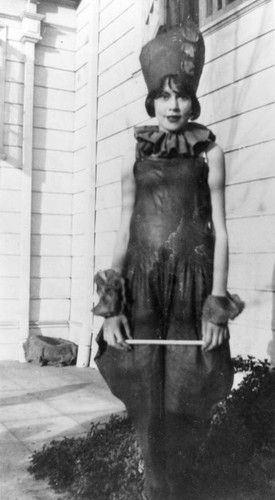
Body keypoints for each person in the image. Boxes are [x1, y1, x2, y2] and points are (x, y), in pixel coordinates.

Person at [94, 18, 244, 500]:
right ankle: (155, 488)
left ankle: (176, 489)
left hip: (190, 294)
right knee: (146, 405)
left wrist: (216, 303)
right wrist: (112, 304)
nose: (173, 105)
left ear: (192, 99)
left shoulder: (209, 152)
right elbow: (123, 228)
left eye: (181, 95)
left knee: (184, 404)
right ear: (151, 101)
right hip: (141, 292)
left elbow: (220, 230)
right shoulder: (131, 156)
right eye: (164, 96)